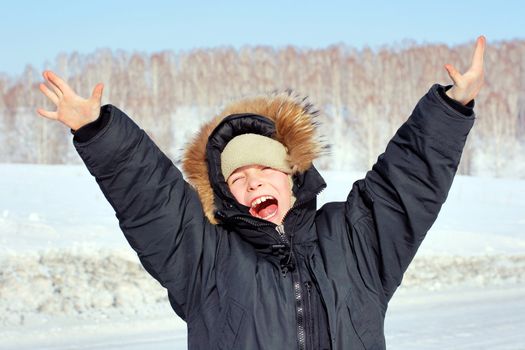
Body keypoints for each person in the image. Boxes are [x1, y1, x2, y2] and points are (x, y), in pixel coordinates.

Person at [37, 36, 486, 350]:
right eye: (237, 177)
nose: (252, 181)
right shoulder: (204, 259)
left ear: (292, 175)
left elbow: (404, 185)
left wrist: (449, 109)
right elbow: (150, 197)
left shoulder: (353, 240)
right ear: (227, 195)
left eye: (264, 168)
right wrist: (97, 130)